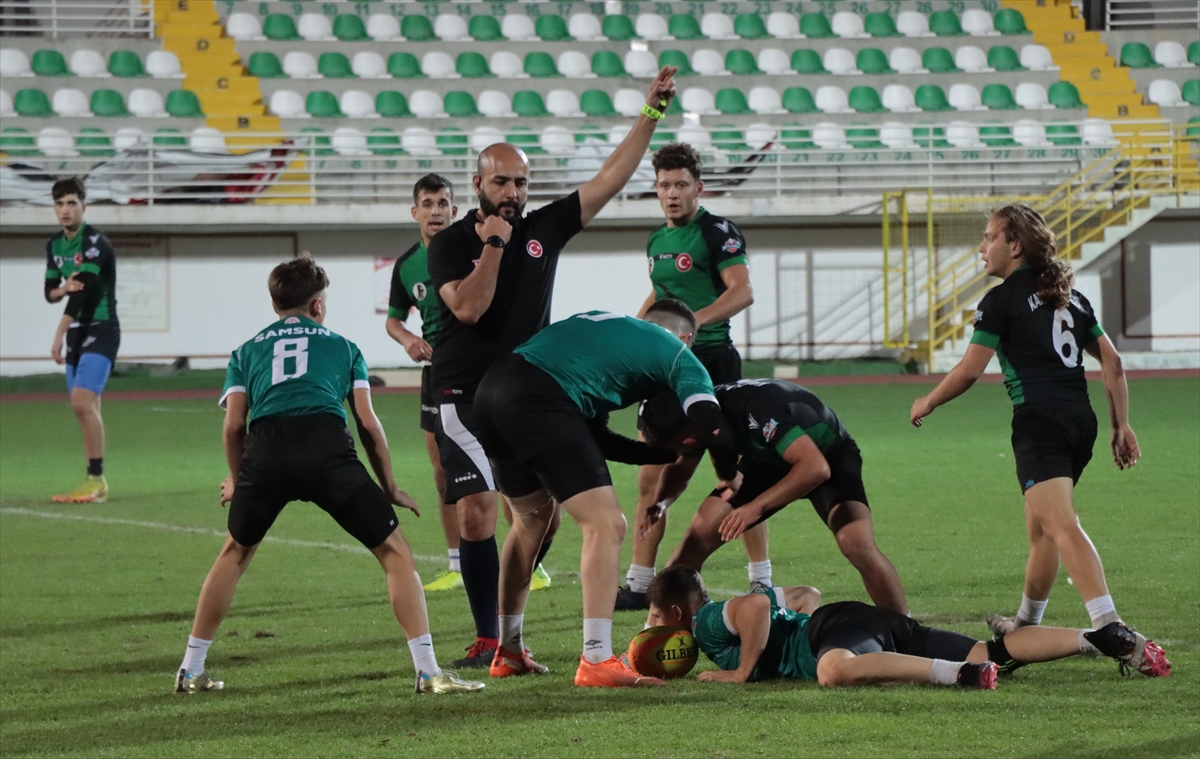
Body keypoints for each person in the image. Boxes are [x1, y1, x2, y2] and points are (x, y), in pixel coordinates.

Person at [428, 66, 679, 667]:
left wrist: (650, 114)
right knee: (482, 510)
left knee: (538, 520)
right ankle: (507, 640)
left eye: (521, 182)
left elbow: (609, 179)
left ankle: (508, 647)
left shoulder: (544, 227)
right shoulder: (451, 243)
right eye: (501, 182)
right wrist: (494, 244)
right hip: (465, 394)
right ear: (477, 183)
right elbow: (469, 308)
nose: (512, 192)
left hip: (524, 396)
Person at [174, 257, 484, 696]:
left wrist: (237, 478)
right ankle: (428, 671)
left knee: (235, 553)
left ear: (275, 304)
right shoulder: (344, 347)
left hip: (266, 450)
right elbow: (368, 424)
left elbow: (233, 426)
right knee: (394, 552)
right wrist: (389, 487)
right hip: (326, 448)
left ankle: (190, 670)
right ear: (318, 305)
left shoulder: (245, 351)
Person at [909, 205, 1167, 673]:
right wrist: (1120, 425)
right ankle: (1025, 627)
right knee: (1042, 528)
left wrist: (928, 401)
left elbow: (969, 371)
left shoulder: (999, 301)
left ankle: (1109, 625)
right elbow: (1113, 363)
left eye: (989, 237)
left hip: (1039, 422)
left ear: (1015, 246)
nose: (981, 247)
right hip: (1080, 421)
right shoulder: (1070, 296)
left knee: (1061, 525)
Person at [472, 300, 741, 687]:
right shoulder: (679, 355)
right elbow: (715, 430)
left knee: (531, 522)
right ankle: (596, 659)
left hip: (492, 392)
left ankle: (509, 650)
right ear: (685, 339)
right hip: (539, 398)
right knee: (607, 524)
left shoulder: (611, 336)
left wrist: (659, 455)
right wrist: (729, 475)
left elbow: (594, 435)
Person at [617, 143, 764, 612]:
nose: (672, 193)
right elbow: (659, 294)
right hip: (667, 367)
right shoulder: (656, 241)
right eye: (664, 185)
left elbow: (742, 292)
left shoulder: (716, 232)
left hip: (713, 362)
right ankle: (639, 583)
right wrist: (635, 332)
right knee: (651, 476)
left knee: (739, 474)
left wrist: (691, 324)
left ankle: (761, 579)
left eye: (681, 184)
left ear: (698, 187)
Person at [646, 566, 1170, 688]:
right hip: (867, 623)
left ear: (675, 614)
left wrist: (742, 671)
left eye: (652, 617)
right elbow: (804, 594)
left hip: (837, 630)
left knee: (832, 671)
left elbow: (756, 610)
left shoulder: (706, 621)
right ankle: (1097, 638)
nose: (650, 627)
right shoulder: (709, 624)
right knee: (991, 651)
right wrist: (791, 625)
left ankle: (955, 676)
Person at [638, 379, 908, 614]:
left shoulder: (757, 410)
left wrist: (756, 507)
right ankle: (658, 633)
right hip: (768, 461)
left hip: (828, 457)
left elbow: (815, 468)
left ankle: (906, 631)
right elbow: (681, 470)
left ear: (687, 439)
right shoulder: (697, 416)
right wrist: (660, 503)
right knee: (699, 534)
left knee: (856, 543)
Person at [44, 177, 119, 504]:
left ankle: (96, 479)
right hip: (77, 332)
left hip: (101, 327)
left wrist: (57, 335)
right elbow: (50, 292)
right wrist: (62, 288)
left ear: (83, 207)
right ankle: (95, 481)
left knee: (81, 402)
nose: (65, 209)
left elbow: (83, 291)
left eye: (71, 203)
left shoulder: (94, 242)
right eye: (60, 204)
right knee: (86, 407)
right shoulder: (54, 245)